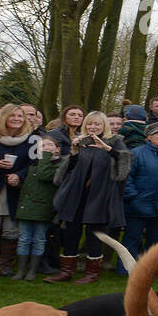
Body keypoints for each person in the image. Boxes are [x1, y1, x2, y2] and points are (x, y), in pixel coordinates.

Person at [47, 111, 130, 284]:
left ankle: (91, 274)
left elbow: (124, 168)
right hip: (77, 195)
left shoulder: (116, 142)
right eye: (90, 124)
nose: (93, 127)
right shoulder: (81, 142)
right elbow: (67, 170)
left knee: (95, 235)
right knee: (71, 232)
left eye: (97, 124)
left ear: (104, 126)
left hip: (100, 196)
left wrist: (108, 149)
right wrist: (74, 152)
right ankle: (66, 271)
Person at [0, 103, 34, 278]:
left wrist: (19, 176)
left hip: (16, 191)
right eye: (12, 116)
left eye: (20, 116)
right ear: (3, 118)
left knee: (11, 229)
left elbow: (33, 165)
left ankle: (6, 265)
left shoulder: (30, 140)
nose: (16, 119)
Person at [120, 122, 158, 275]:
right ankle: (126, 269)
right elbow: (127, 178)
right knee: (132, 238)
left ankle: (149, 269)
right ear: (149, 137)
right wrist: (135, 197)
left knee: (155, 240)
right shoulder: (136, 153)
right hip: (137, 205)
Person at [13, 133, 59, 280]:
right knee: (24, 239)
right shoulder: (32, 166)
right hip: (26, 209)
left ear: (57, 149)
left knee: (39, 239)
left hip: (43, 209)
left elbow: (44, 175)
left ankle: (32, 271)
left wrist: (44, 157)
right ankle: (21, 270)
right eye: (42, 146)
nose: (46, 148)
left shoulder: (58, 166)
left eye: (49, 145)